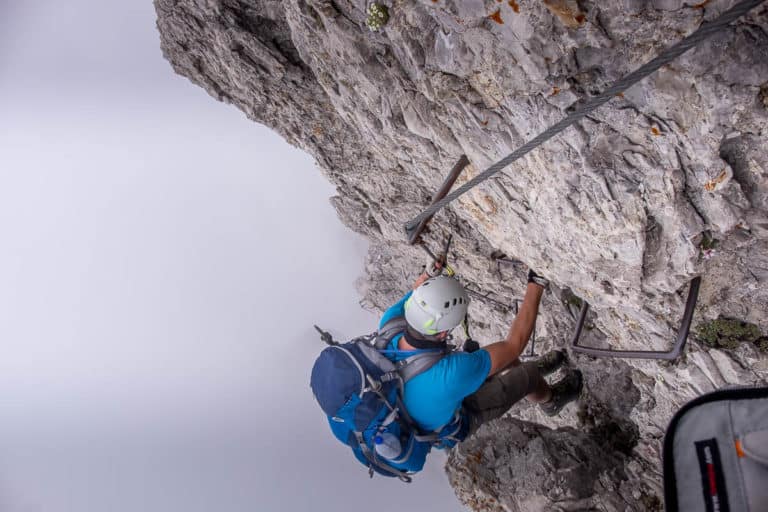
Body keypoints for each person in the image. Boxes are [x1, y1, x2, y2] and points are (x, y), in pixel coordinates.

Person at [379, 260, 583, 441]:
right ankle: (551, 401)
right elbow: (514, 345)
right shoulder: (450, 373)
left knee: (499, 359)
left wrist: (429, 276)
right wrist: (536, 282)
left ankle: (517, 372)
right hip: (460, 415)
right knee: (527, 374)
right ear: (443, 334)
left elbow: (418, 294)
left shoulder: (390, 324)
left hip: (424, 394)